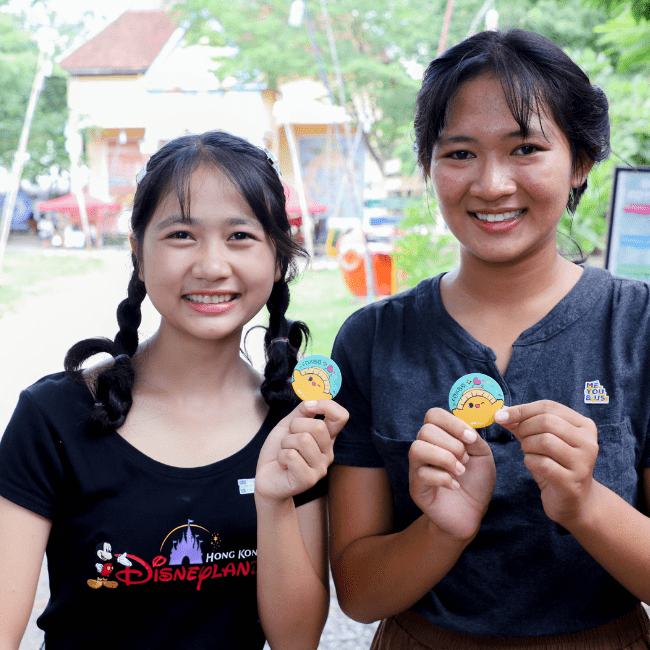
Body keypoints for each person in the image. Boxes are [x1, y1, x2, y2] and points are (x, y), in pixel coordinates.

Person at [328, 28, 650, 649]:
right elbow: (361, 596)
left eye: (525, 148)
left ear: (581, 161)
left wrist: (585, 503)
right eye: (460, 153)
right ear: (430, 165)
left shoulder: (635, 328)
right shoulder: (373, 339)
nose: (492, 184)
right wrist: (442, 530)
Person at [0, 130, 348, 649]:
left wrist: (273, 502)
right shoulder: (52, 415)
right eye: (182, 235)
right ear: (138, 253)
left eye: (240, 237)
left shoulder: (297, 425)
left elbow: (296, 641)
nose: (211, 266)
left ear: (278, 260)